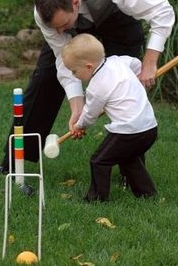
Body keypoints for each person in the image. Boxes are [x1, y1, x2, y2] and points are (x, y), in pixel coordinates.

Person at [0, 0, 174, 180]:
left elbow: (162, 11)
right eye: (54, 27)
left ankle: (131, 174)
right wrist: (77, 106)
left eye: (62, 25)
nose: (58, 33)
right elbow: (63, 59)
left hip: (117, 18)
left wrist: (149, 63)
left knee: (125, 88)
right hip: (75, 23)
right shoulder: (46, 15)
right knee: (44, 80)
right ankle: (12, 165)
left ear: (75, 3)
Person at [61, 33, 158, 201]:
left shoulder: (97, 87)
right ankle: (146, 195)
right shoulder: (118, 61)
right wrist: (136, 75)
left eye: (74, 71)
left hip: (129, 131)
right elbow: (135, 63)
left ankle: (96, 199)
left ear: (89, 67)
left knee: (99, 161)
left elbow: (90, 114)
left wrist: (79, 126)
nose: (73, 75)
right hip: (149, 128)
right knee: (128, 159)